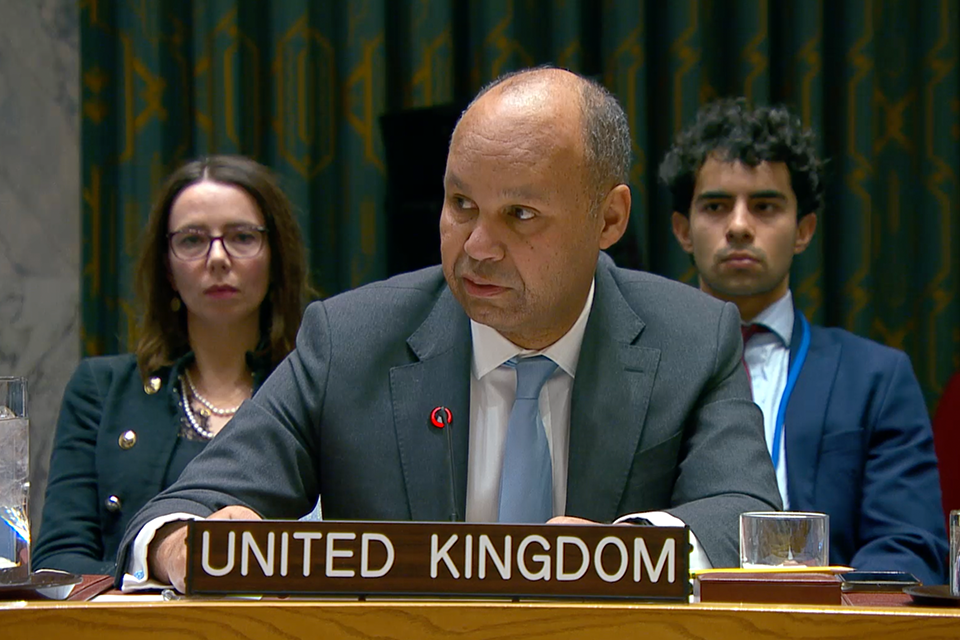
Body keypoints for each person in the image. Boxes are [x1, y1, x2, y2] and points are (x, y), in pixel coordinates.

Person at [118, 68, 782, 593]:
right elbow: (178, 513)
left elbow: (746, 515)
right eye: (461, 204)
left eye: (520, 214)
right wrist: (186, 545)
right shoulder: (350, 339)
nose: (477, 247)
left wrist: (619, 553)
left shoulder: (691, 338)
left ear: (608, 219)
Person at [663, 99, 948, 585]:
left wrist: (822, 610)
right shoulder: (640, 370)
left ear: (804, 230)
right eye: (715, 206)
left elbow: (910, 545)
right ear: (683, 230)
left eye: (765, 206)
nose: (739, 225)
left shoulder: (875, 379)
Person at [32, 155, 310, 576]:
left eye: (242, 237)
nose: (217, 258)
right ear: (166, 265)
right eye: (192, 240)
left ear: (275, 256)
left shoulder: (314, 388)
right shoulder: (101, 389)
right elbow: (59, 560)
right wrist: (160, 569)